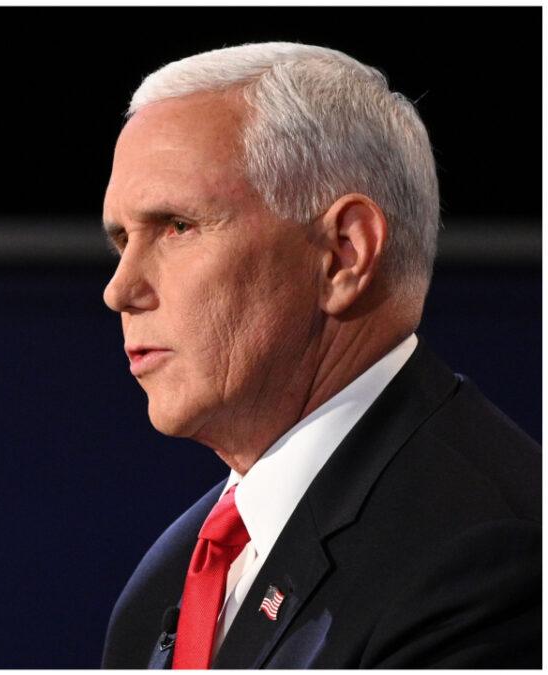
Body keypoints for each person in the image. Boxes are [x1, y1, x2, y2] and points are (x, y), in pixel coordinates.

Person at [99, 42, 539, 669]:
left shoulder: (491, 564)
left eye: (176, 226)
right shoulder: (164, 583)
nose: (120, 289)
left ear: (343, 254)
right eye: (121, 239)